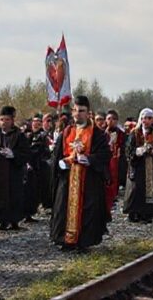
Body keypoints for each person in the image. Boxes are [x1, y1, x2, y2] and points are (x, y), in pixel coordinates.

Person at [50, 96, 110, 251]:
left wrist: (88, 159)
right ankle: (66, 240)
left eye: (81, 111)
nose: (78, 114)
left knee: (87, 210)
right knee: (64, 208)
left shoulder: (97, 133)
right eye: (75, 110)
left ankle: (83, 242)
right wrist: (62, 163)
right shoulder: (67, 132)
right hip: (68, 179)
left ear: (88, 113)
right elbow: (57, 155)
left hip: (88, 179)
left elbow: (105, 155)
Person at [0, 106, 30, 231]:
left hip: (13, 171)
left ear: (12, 121)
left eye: (6, 120)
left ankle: (14, 221)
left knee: (14, 195)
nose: (3, 123)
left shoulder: (19, 135)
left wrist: (13, 154)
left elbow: (26, 153)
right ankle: (1, 220)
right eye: (1, 120)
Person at [123, 108, 153, 223]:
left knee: (151, 190)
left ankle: (148, 214)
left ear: (152, 120)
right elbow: (128, 150)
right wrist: (138, 151)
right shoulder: (134, 133)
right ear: (141, 119)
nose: (146, 121)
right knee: (135, 190)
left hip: (152, 167)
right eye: (144, 118)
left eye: (149, 118)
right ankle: (133, 212)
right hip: (137, 167)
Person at [24, 113, 50, 222]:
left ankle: (32, 212)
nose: (36, 124)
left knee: (35, 191)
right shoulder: (26, 135)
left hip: (38, 166)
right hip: (27, 166)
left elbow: (44, 151)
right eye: (35, 122)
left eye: (39, 123)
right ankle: (26, 214)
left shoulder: (43, 136)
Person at [103, 109, 126, 219]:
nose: (111, 121)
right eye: (109, 119)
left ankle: (113, 198)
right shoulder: (102, 133)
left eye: (114, 119)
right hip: (105, 160)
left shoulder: (121, 134)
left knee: (115, 179)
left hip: (117, 160)